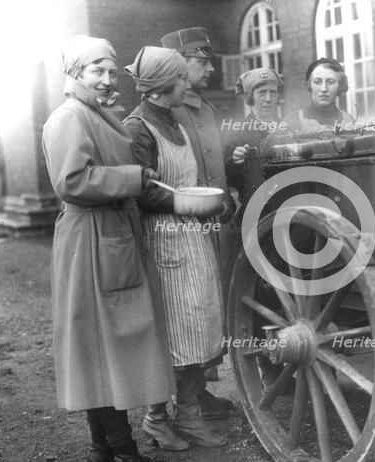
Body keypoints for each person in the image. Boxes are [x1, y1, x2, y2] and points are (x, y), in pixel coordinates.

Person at [42, 35, 174, 462]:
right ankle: (123, 448)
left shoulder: (96, 114)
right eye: (96, 71)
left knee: (100, 346)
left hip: (110, 236)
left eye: (111, 71)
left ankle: (104, 446)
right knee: (98, 346)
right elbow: (73, 182)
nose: (105, 79)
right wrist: (134, 178)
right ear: (75, 73)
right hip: (89, 241)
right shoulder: (68, 118)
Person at [124, 45, 228, 450]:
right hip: (163, 240)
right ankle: (157, 419)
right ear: (162, 84)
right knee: (172, 332)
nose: (188, 82)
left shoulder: (175, 119)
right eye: (182, 77)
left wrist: (198, 203)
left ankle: (187, 414)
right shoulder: (138, 128)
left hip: (191, 234)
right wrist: (183, 202)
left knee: (198, 327)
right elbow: (139, 190)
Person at [161, 27, 238, 399]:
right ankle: (185, 394)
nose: (210, 69)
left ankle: (199, 387)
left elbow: (213, 162)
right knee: (185, 308)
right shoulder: (169, 110)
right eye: (202, 62)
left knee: (208, 302)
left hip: (211, 222)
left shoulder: (207, 109)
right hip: (181, 225)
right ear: (180, 64)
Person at [223, 66, 284, 209]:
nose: (268, 99)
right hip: (256, 210)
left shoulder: (288, 127)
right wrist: (236, 160)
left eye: (273, 93)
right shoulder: (238, 133)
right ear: (250, 97)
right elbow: (229, 177)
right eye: (262, 92)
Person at [284, 57, 355, 133]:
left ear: (340, 85)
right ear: (309, 85)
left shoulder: (349, 121)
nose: (324, 89)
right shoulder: (294, 120)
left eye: (330, 82)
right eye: (317, 82)